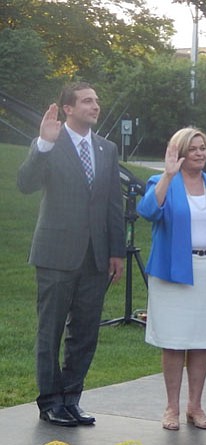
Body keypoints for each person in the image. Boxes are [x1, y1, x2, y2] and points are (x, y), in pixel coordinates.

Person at [17, 82, 125, 427]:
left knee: (85, 331)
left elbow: (112, 204)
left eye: (96, 100)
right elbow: (25, 183)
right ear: (68, 108)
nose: (96, 106)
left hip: (95, 257)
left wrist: (116, 252)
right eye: (87, 101)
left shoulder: (106, 149)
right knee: (49, 331)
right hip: (55, 254)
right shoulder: (50, 142)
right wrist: (43, 145)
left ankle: (71, 398)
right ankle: (50, 402)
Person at [137, 127, 206, 431]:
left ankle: (195, 405)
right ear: (180, 151)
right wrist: (168, 176)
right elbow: (147, 212)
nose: (199, 153)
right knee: (174, 342)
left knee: (201, 342)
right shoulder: (162, 182)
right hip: (173, 272)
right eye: (193, 148)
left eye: (203, 147)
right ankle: (171, 407)